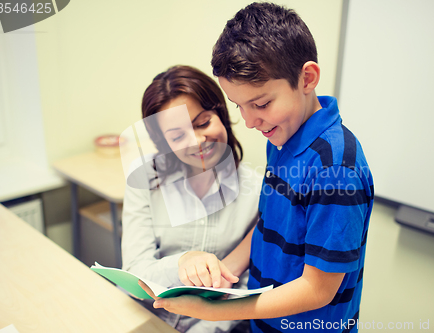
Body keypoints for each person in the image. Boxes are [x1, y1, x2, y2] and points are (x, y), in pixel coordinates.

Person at [146, 3, 375, 333]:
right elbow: (271, 224)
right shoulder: (283, 139)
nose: (250, 122)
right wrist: (223, 274)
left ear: (307, 78)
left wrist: (213, 311)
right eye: (239, 106)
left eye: (262, 103)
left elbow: (318, 289)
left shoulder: (335, 169)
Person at [121, 65, 261, 332]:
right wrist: (182, 262)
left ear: (221, 115)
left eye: (204, 123)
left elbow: (243, 288)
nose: (197, 140)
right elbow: (136, 273)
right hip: (143, 319)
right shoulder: (145, 180)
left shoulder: (255, 191)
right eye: (177, 136)